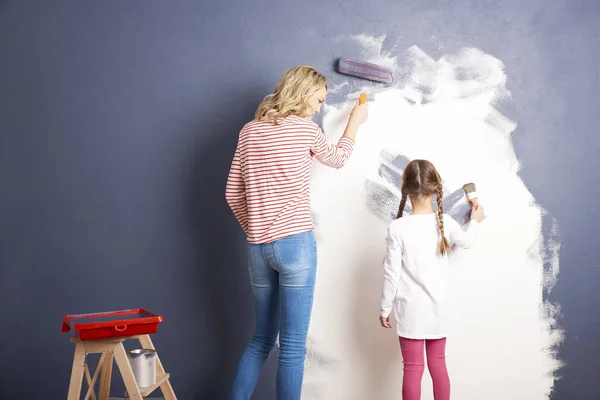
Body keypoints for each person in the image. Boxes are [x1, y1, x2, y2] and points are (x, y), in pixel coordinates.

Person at [226, 65, 368, 399]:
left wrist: (257, 230)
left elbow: (232, 193)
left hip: (257, 249)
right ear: (304, 93)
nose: (320, 107)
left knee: (260, 340)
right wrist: (355, 122)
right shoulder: (305, 129)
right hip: (295, 247)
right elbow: (337, 158)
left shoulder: (249, 131)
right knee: (291, 348)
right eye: (319, 99)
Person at [378, 159, 486, 400]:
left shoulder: (398, 227)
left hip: (410, 310)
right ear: (438, 187)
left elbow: (391, 273)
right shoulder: (446, 222)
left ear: (405, 189)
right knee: (438, 366)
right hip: (439, 308)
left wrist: (385, 308)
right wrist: (475, 221)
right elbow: (467, 242)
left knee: (413, 369)